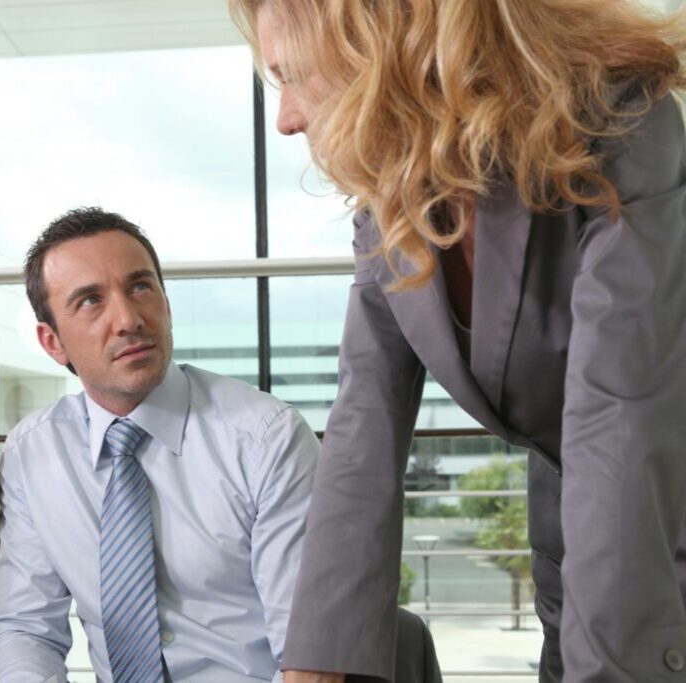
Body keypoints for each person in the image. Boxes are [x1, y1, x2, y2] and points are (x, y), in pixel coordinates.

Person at [229, 1, 686, 681]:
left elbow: (617, 412)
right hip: (577, 533)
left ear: (374, 45)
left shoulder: (618, 116)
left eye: (291, 75)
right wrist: (315, 663)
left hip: (654, 522)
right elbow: (363, 424)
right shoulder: (391, 204)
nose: (286, 117)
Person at [0, 207, 318, 683]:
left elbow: (307, 650)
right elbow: (25, 628)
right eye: (90, 301)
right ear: (52, 342)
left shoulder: (267, 436)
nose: (127, 319)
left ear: (166, 303)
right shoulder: (34, 452)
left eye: (140, 287)